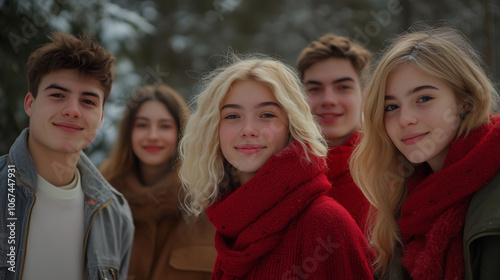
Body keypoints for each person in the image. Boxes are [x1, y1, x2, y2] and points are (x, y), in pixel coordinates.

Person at [178, 56, 374, 279]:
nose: (248, 129)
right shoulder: (230, 223)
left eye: (267, 115)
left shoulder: (326, 224)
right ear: (215, 130)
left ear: (292, 126)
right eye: (232, 115)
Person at [349, 26, 500, 280]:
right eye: (391, 106)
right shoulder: (403, 201)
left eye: (424, 98)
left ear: (464, 101)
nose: (405, 119)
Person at [0, 32, 134, 279]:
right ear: (30, 103)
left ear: (101, 117)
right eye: (58, 95)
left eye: (88, 101)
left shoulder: (115, 215)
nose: (72, 111)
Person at [99, 83, 217, 279]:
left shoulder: (207, 203)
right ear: (128, 133)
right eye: (142, 125)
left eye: (165, 126)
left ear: (182, 134)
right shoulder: (101, 201)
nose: (153, 136)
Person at [296, 34, 371, 233]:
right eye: (314, 89)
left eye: (343, 87)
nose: (328, 100)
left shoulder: (395, 169)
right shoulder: (276, 172)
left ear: (364, 97)